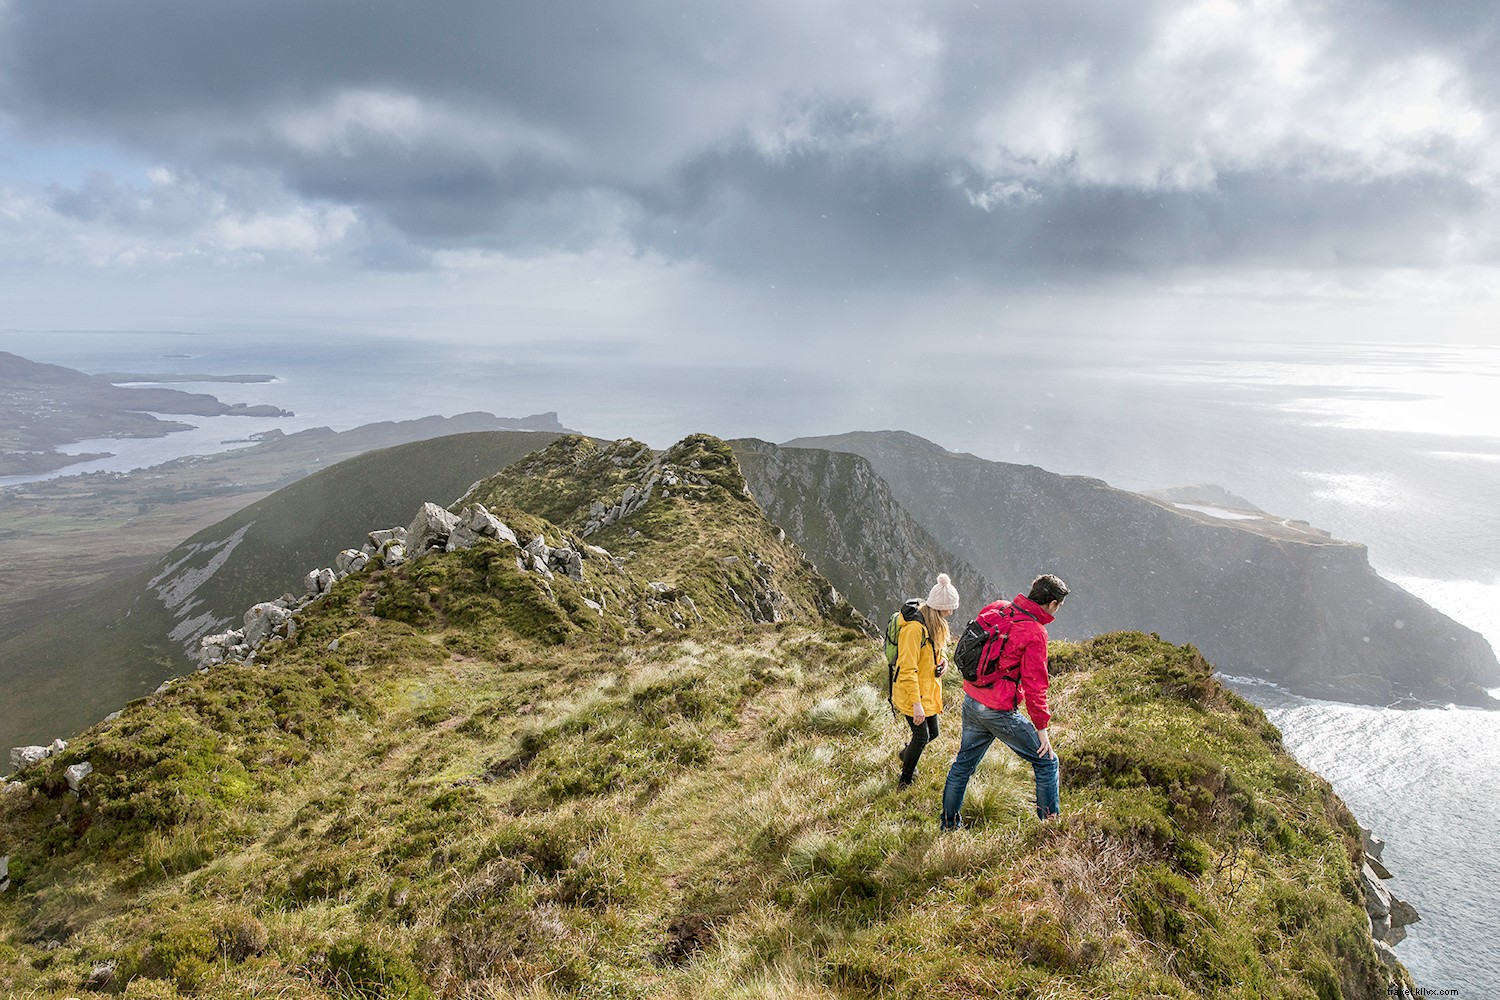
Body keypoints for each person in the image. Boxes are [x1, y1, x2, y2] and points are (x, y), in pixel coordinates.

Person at [940, 573, 1069, 827]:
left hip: (972, 699)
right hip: (997, 709)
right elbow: (1035, 686)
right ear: (1052, 604)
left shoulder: (997, 608)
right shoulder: (1035, 633)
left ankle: (949, 824)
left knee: (963, 765)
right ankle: (1050, 829)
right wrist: (1042, 729)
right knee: (1046, 762)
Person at [892, 573, 960, 788]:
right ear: (941, 607)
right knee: (921, 737)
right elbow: (907, 669)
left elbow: (936, 653)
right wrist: (916, 704)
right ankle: (905, 780)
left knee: (934, 733)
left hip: (927, 690)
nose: (952, 612)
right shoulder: (914, 629)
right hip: (913, 694)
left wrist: (944, 662)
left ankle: (906, 753)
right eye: (950, 607)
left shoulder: (934, 624)